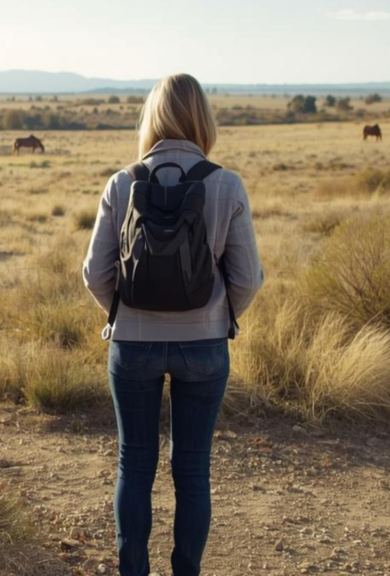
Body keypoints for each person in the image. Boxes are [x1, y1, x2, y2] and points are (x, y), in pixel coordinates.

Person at [82, 73, 264, 576]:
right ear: (201, 118)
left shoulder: (122, 182)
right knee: (192, 470)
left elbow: (94, 275)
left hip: (132, 347)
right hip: (204, 347)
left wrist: (123, 316)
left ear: (152, 118)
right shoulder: (226, 183)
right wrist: (217, 317)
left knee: (134, 466)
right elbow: (249, 278)